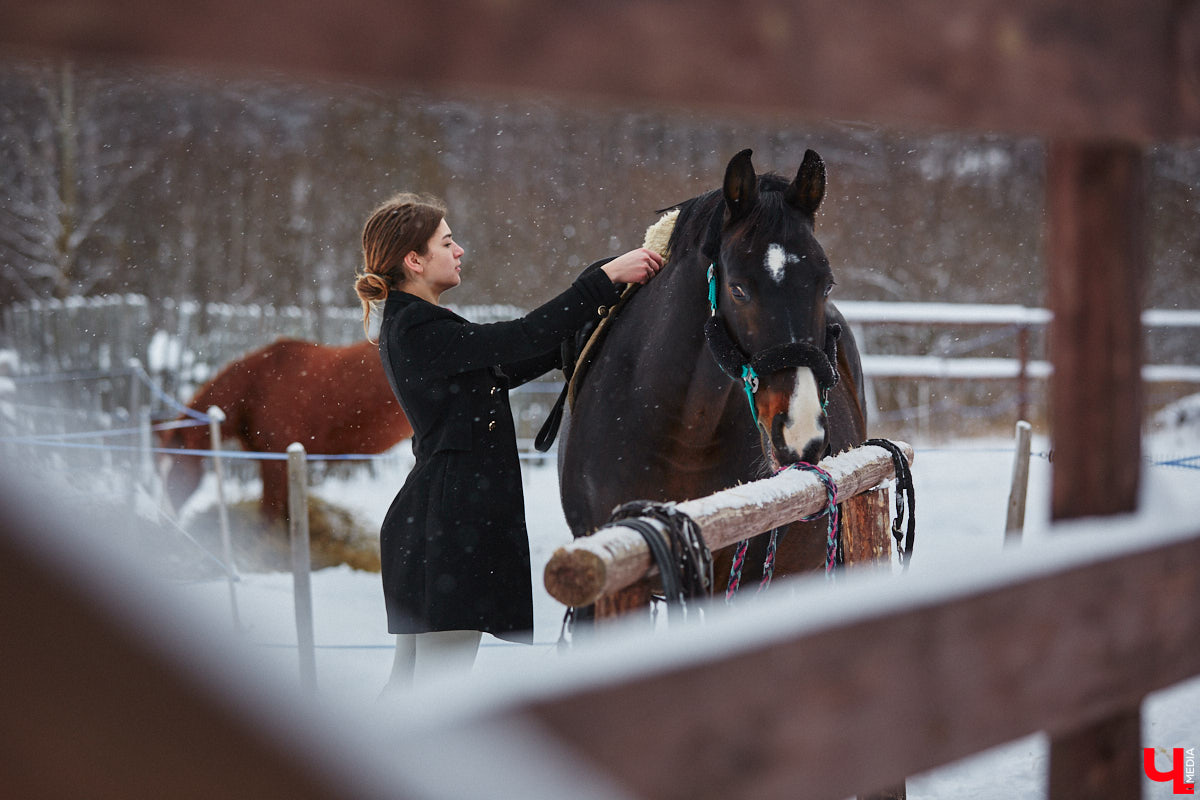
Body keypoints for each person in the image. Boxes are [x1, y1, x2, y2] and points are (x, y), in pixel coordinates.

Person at [353, 192, 663, 693]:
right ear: (414, 260)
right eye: (447, 242)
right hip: (447, 530)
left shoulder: (419, 325)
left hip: (433, 525)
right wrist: (600, 282)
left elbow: (505, 365)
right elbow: (517, 337)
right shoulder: (416, 328)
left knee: (410, 690)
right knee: (437, 692)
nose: (459, 252)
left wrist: (580, 329)